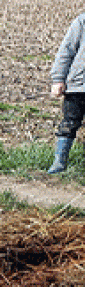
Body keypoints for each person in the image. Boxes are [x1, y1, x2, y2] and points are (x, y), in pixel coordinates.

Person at [47, 12, 85, 174]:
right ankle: (59, 164)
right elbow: (66, 50)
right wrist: (58, 79)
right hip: (78, 85)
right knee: (69, 123)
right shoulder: (82, 21)